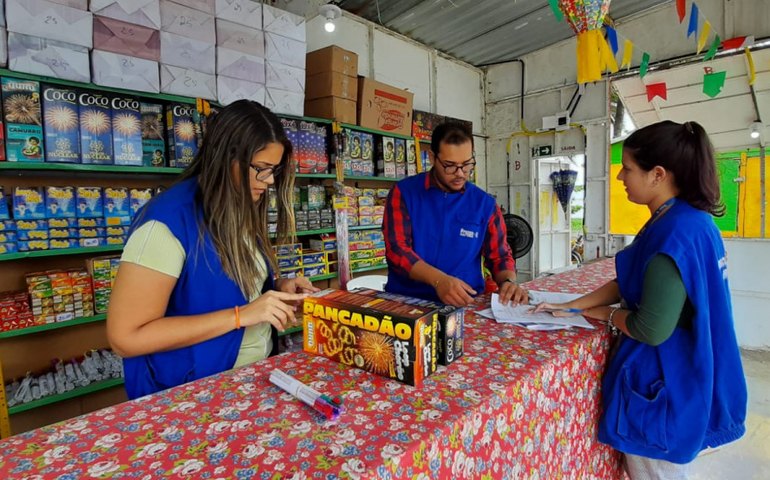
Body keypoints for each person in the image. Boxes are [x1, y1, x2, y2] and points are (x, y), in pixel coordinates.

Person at [533, 120, 746, 478]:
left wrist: (604, 315)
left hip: (666, 382)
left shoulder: (673, 232)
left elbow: (650, 328)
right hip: (688, 371)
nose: (620, 177)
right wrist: (575, 304)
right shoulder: (689, 219)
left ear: (658, 174)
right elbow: (633, 278)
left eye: (628, 169)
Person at [107, 100, 316, 400]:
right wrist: (241, 315)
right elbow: (125, 338)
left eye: (274, 170)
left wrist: (277, 291)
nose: (269, 181)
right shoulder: (165, 224)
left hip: (251, 381)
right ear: (225, 157)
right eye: (261, 169)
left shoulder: (238, 208)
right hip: (191, 396)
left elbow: (224, 285)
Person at [384, 121, 527, 307]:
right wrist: (439, 281)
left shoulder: (484, 204)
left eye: (467, 164)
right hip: (409, 304)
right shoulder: (404, 193)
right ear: (433, 157)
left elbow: (499, 255)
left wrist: (508, 282)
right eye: (450, 166)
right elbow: (397, 250)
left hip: (465, 303)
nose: (460, 174)